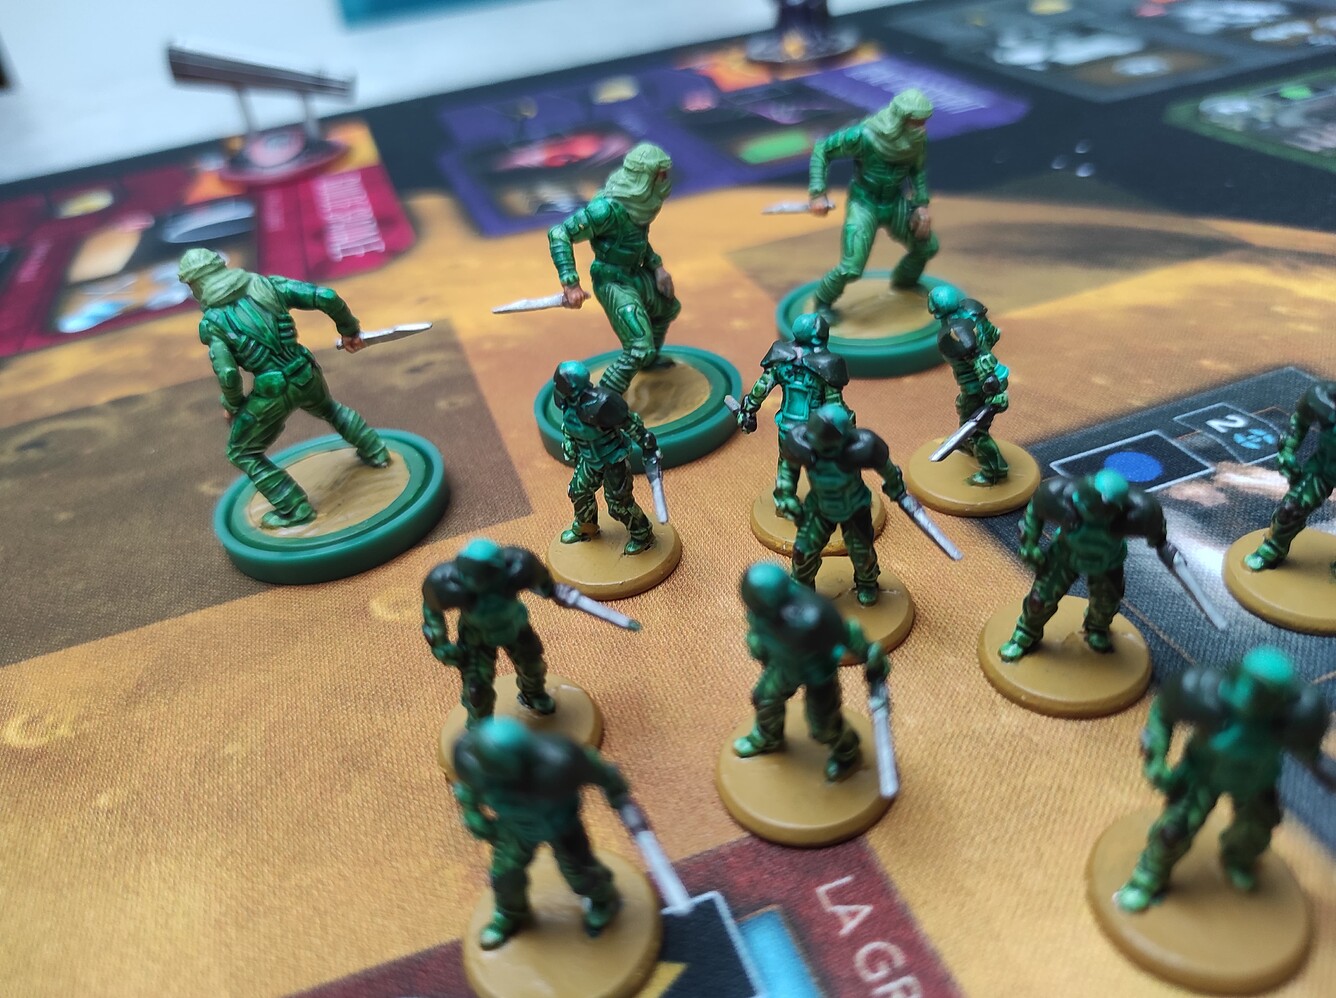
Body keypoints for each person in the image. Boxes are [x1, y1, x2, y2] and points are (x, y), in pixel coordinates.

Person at [178, 248, 387, 528]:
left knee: (241, 452)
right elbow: (326, 297)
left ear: (196, 284)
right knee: (330, 409)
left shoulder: (212, 323)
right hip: (305, 372)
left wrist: (233, 405)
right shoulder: (269, 286)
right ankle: (376, 451)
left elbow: (228, 373)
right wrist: (349, 331)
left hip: (271, 392)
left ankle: (295, 508)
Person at [452, 718, 630, 948]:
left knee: (580, 874)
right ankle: (509, 914)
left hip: (562, 825)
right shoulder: (474, 764)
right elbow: (467, 792)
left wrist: (616, 794)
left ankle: (603, 900)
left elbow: (598, 771)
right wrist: (474, 816)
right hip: (516, 828)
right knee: (505, 875)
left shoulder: (560, 761)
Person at [548, 143, 680, 395]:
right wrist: (571, 284)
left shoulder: (638, 205)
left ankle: (648, 361)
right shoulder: (605, 210)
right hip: (611, 282)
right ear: (644, 178)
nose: (665, 180)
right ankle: (602, 400)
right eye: (660, 175)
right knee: (639, 346)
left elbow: (636, 241)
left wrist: (657, 268)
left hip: (634, 274)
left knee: (666, 308)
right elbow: (559, 233)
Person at [808, 90, 938, 323]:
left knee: (926, 246)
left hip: (894, 202)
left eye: (924, 122)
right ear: (901, 119)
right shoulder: (863, 136)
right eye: (916, 122)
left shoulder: (917, 141)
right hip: (864, 203)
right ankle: (822, 302)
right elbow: (822, 149)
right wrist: (818, 193)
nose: (922, 128)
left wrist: (921, 205)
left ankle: (905, 283)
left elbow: (917, 172)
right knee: (851, 267)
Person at [553, 361, 658, 555]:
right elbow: (568, 425)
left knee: (619, 504)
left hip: (612, 460)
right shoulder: (565, 401)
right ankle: (586, 527)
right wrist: (569, 442)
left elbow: (630, 423)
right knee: (578, 492)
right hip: (588, 460)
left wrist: (646, 442)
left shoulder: (602, 404)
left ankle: (642, 534)